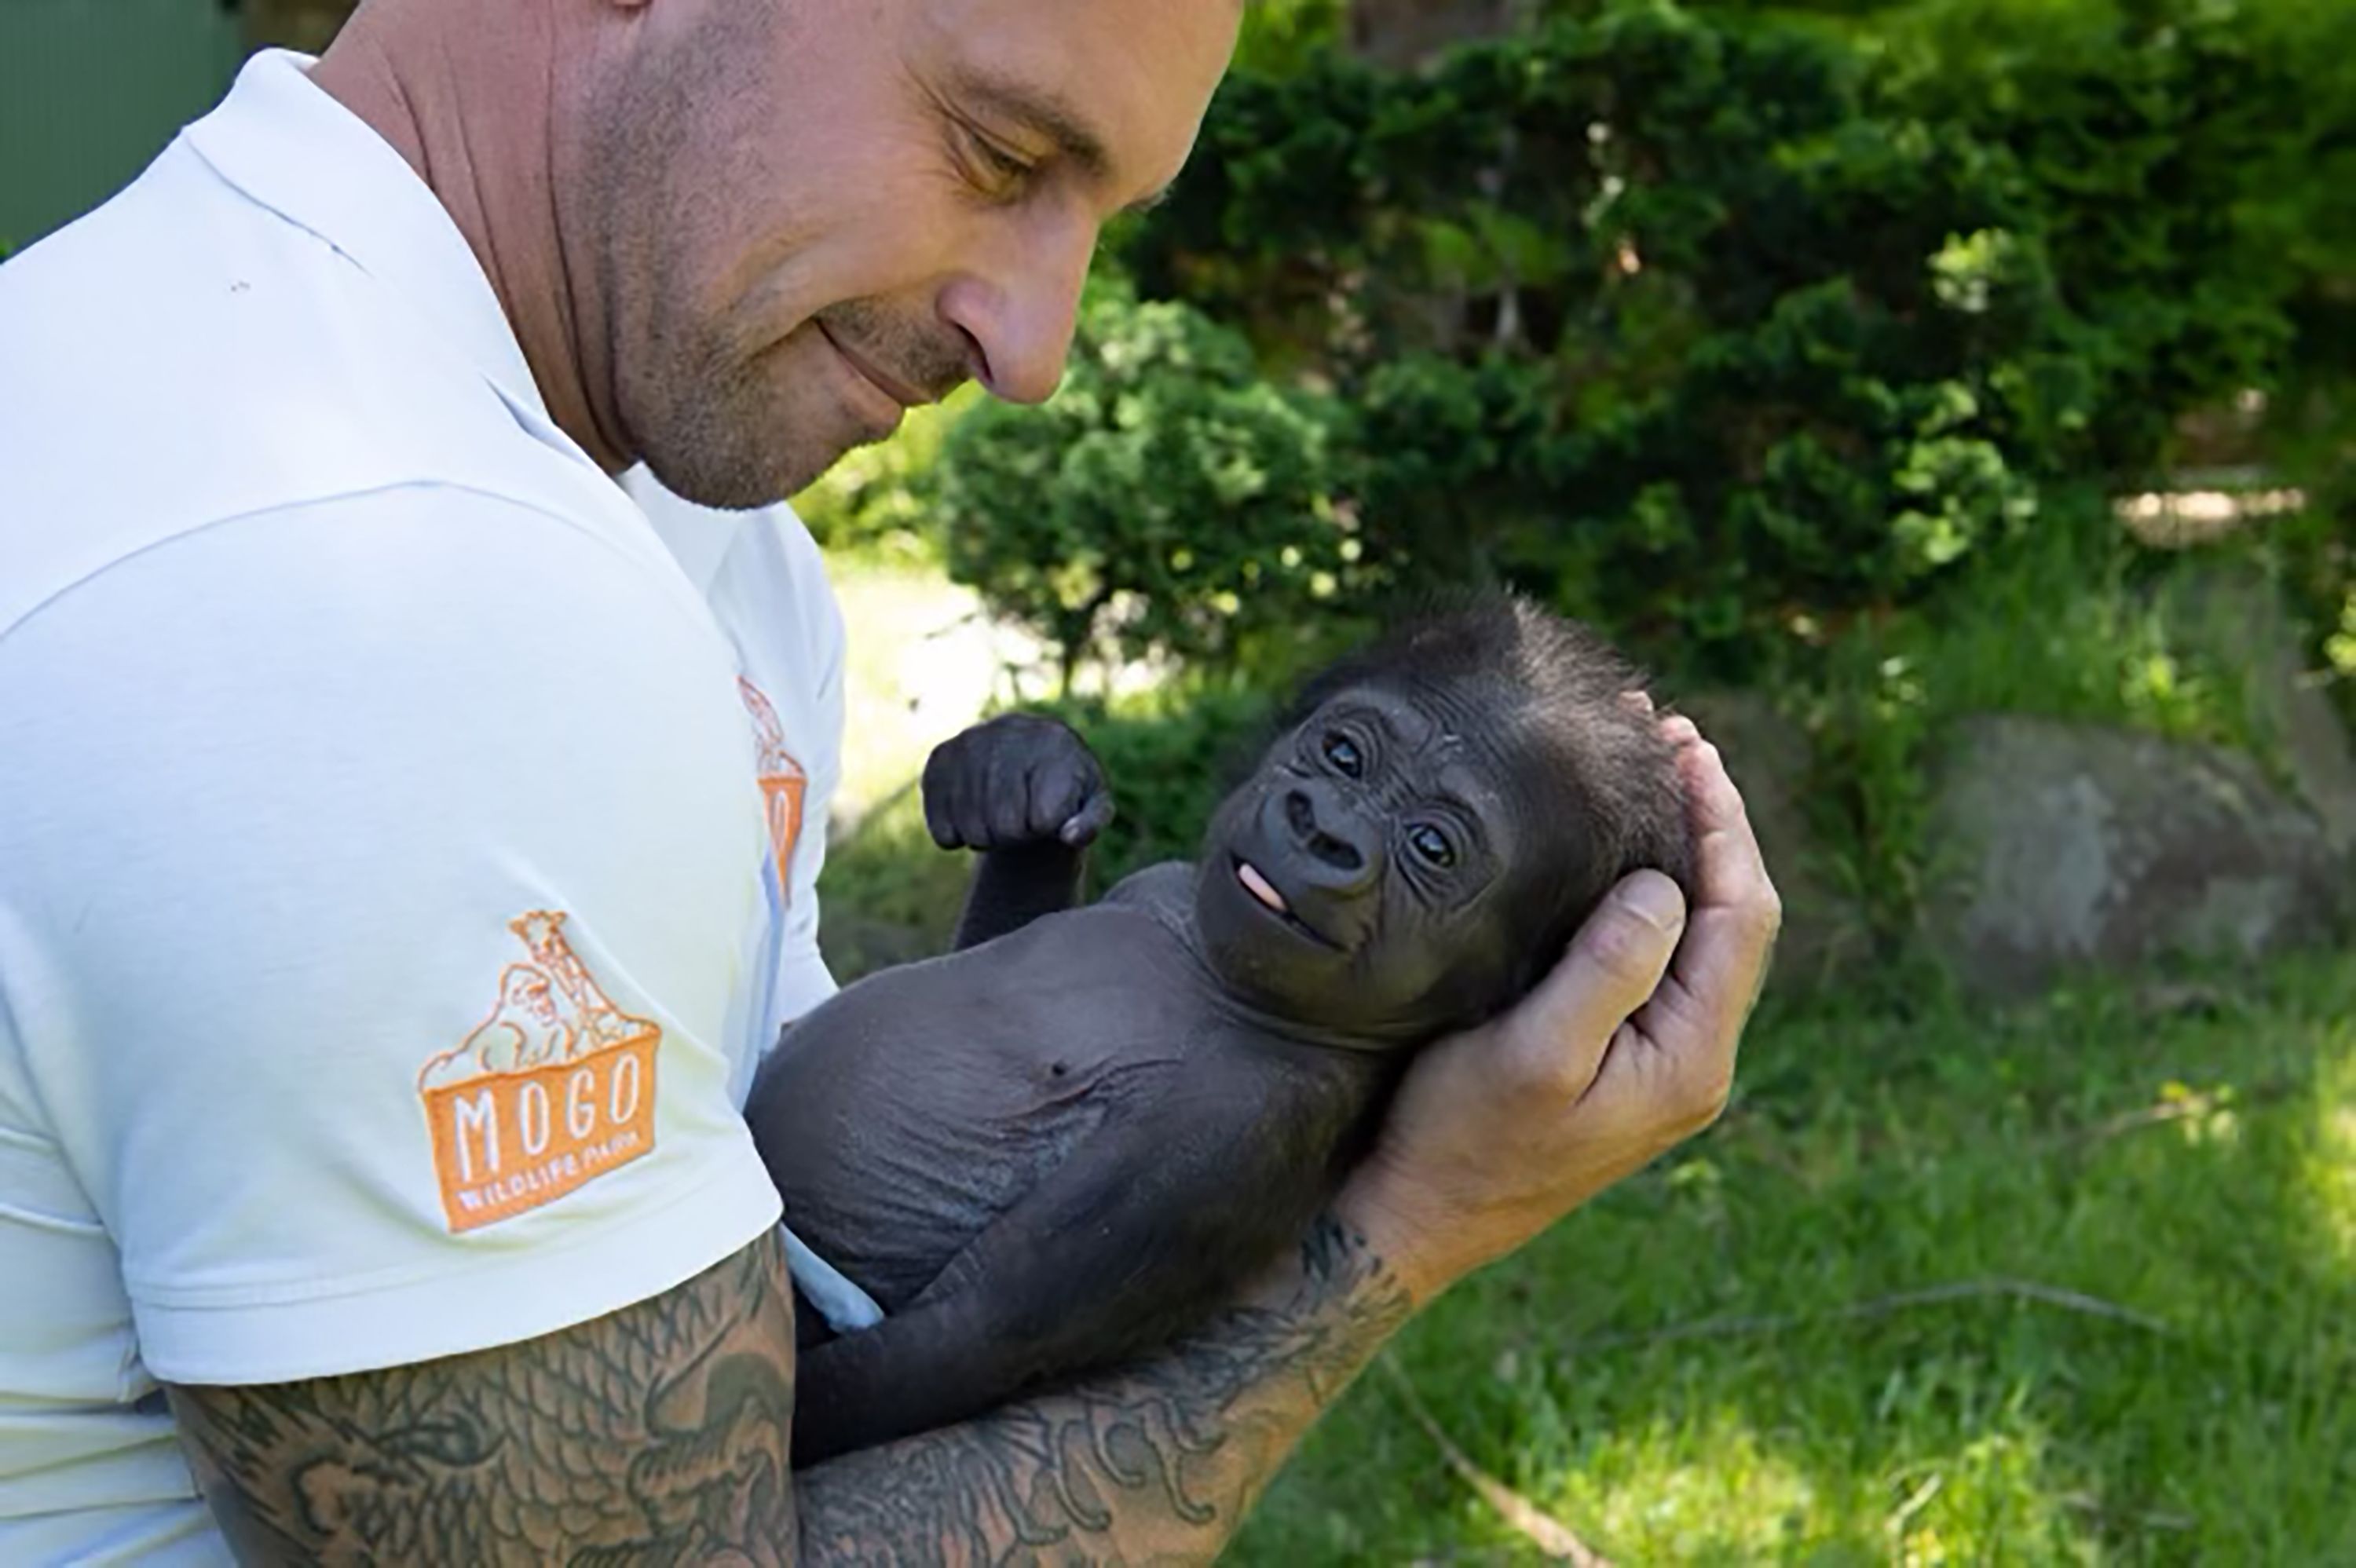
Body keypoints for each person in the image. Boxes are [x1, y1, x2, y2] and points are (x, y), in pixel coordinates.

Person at [0, 0, 1782, 1560]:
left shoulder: (696, 536)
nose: (1037, 350)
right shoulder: (394, 592)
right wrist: (1417, 1222)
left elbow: (808, 1134)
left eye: (1100, 221)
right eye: (1001, 150)